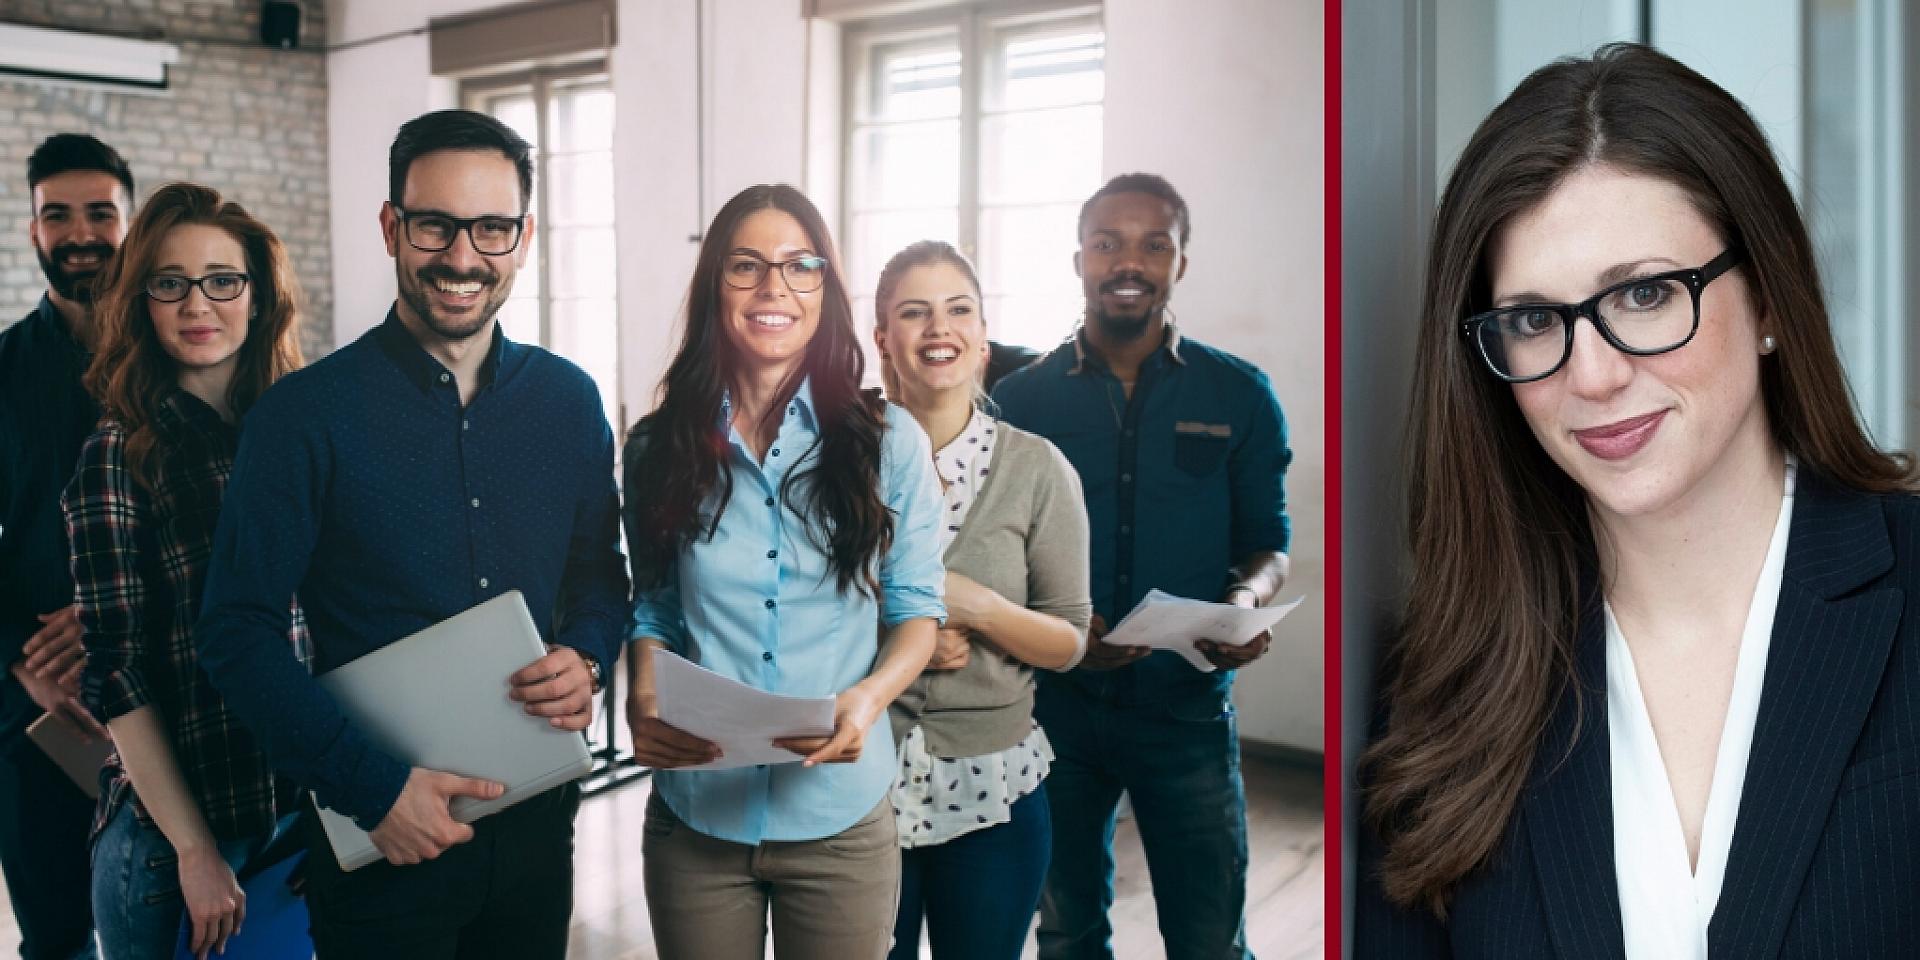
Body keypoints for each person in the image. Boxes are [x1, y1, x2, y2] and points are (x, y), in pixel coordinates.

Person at [1356, 44, 1920, 959]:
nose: (1595, 374)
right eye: (1535, 320)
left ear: (1771, 295)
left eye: (1647, 293)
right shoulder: (1445, 687)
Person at [193, 109, 628, 959]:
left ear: (524, 237)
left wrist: (587, 655)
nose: (463, 258)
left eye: (492, 228)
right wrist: (374, 790)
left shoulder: (570, 402)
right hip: (379, 844)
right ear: (393, 226)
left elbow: (599, 577)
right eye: (435, 225)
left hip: (538, 834)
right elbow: (233, 632)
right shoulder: (300, 418)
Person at [621, 184, 945, 960]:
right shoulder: (657, 446)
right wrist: (641, 690)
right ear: (714, 286)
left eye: (801, 266)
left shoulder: (888, 441)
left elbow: (917, 613)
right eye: (747, 266)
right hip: (696, 817)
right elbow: (656, 608)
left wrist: (868, 700)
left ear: (825, 289)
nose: (775, 289)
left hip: (838, 818)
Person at [992, 172, 1292, 960]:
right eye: (1108, 243)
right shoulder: (1020, 403)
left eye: (1154, 244)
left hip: (1185, 712)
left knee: (1209, 939)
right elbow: (991, 550)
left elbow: (1269, 540)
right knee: (1067, 931)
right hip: (1055, 710)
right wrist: (1058, 625)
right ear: (1079, 259)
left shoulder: (1241, 394)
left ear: (1180, 262)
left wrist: (1244, 597)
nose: (1129, 261)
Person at [62, 182, 307, 960]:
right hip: (178, 850)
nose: (198, 304)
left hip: (303, 819)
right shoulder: (118, 452)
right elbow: (118, 673)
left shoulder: (299, 432)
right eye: (171, 283)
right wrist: (197, 852)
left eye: (222, 280)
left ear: (258, 295)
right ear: (143, 301)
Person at [872, 240, 1092, 959]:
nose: (939, 327)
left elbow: (1070, 641)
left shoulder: (1038, 470)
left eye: (957, 309)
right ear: (883, 340)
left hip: (994, 789)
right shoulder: (834, 464)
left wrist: (978, 608)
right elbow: (790, 609)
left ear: (981, 337)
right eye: (915, 312)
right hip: (858, 783)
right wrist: (906, 634)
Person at [0, 132, 133, 960]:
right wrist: (23, 659)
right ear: (34, 231)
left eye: (99, 212)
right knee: (56, 935)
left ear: (130, 220)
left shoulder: (178, 356)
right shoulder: (2, 369)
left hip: (173, 685)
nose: (80, 232)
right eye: (59, 215)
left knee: (183, 914)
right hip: (36, 711)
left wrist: (110, 612)